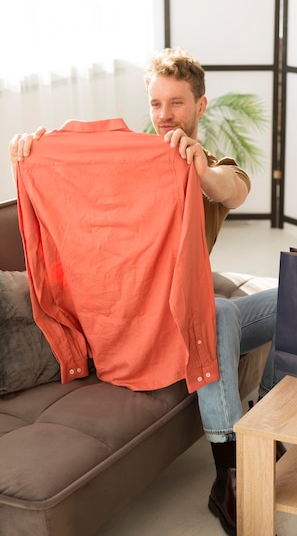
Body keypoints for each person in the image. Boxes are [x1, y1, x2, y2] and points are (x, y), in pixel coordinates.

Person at [8, 47, 283, 536]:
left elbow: (232, 189)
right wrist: (37, 148)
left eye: (176, 103)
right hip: (144, 321)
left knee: (294, 296)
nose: (164, 116)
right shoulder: (134, 161)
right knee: (218, 314)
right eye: (156, 104)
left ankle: (266, 422)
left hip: (186, 314)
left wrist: (197, 170)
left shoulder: (211, 164)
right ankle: (229, 471)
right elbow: (78, 174)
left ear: (200, 106)